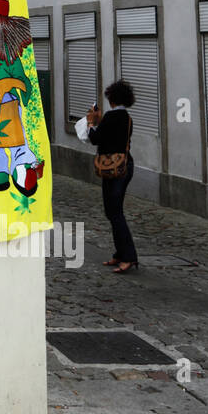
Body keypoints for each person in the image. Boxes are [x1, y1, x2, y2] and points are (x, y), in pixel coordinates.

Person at [79, 80, 138, 274]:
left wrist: (90, 121)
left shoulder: (111, 117)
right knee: (114, 211)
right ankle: (120, 253)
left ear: (111, 99)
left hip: (114, 168)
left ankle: (128, 257)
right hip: (124, 165)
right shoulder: (126, 117)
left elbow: (95, 139)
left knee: (114, 212)